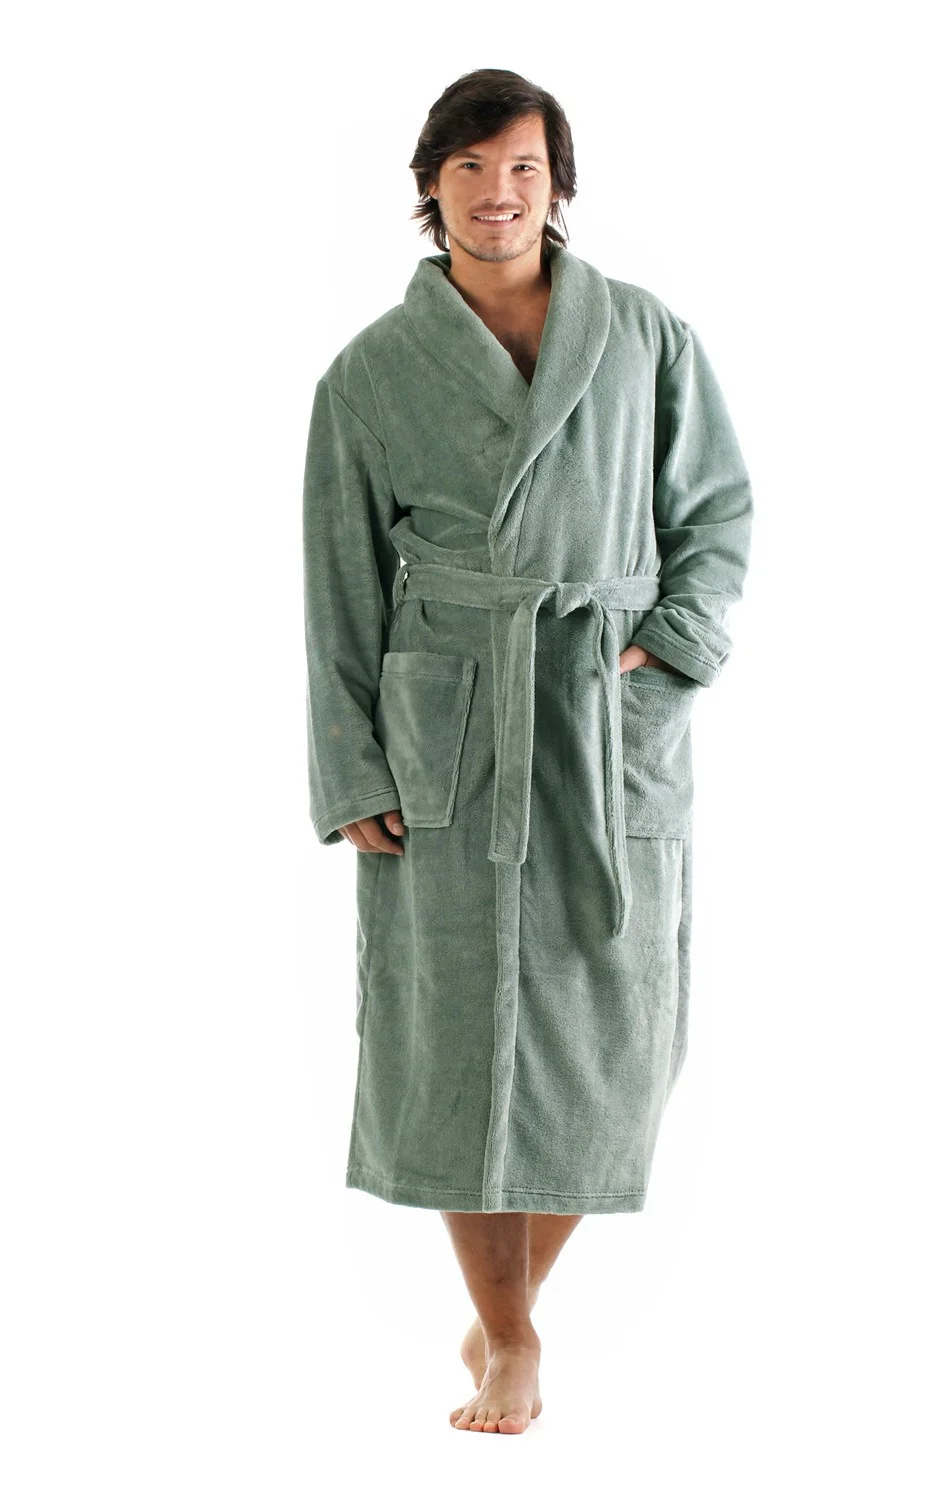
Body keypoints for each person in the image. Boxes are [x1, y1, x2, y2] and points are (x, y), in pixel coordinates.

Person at [302, 67, 754, 1435]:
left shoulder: (643, 334)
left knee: (625, 1039)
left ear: (558, 186)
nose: (499, 193)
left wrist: (672, 643)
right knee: (454, 1041)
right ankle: (509, 1340)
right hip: (448, 732)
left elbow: (714, 510)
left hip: (604, 719)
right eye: (471, 168)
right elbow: (339, 586)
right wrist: (353, 769)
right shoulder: (370, 373)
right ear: (430, 186)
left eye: (524, 168)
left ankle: (510, 1308)